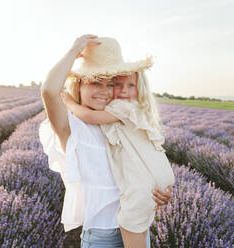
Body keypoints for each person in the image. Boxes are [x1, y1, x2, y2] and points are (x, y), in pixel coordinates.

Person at [39, 34, 173, 248]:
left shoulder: (120, 122)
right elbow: (48, 90)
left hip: (137, 226)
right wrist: (74, 51)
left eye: (110, 84)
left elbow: (147, 161)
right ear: (79, 85)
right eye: (95, 82)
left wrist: (159, 191)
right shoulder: (72, 127)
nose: (104, 91)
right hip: (102, 236)